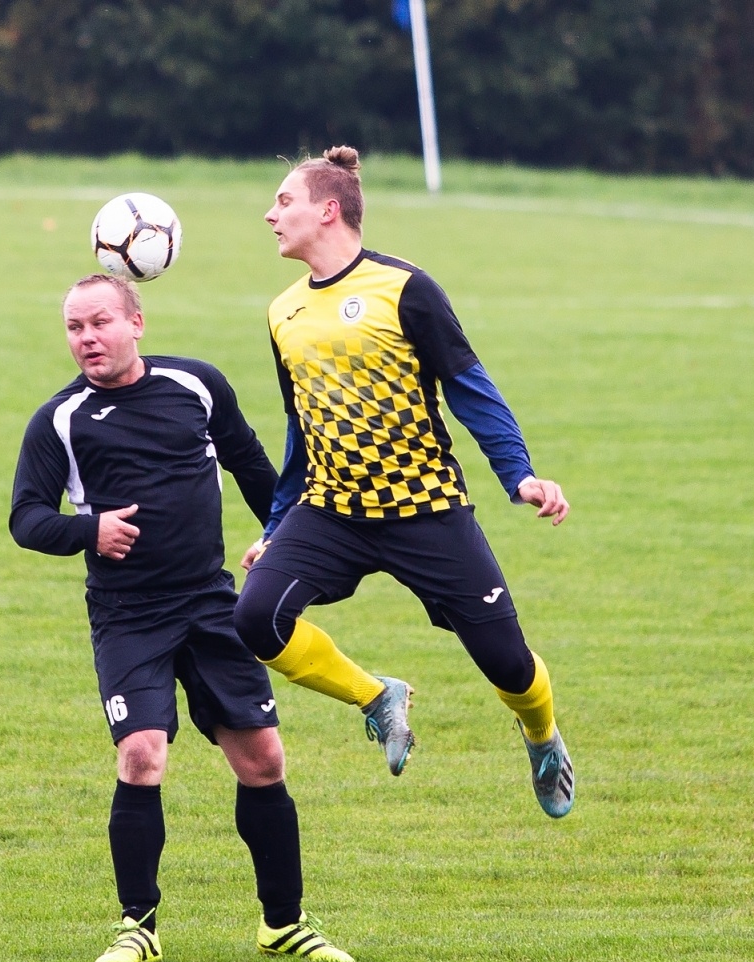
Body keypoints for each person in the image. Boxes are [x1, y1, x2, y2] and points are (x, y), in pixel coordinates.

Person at [10, 273, 355, 962]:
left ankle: (284, 923)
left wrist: (282, 535)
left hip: (210, 604)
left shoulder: (196, 385)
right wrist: (89, 530)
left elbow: (255, 468)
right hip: (128, 616)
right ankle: (137, 926)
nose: (87, 339)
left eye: (100, 323)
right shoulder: (60, 419)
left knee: (263, 759)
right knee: (142, 753)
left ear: (136, 322)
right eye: (75, 328)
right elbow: (26, 517)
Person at [232, 146, 576, 818]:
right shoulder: (282, 312)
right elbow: (300, 429)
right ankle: (376, 696)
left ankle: (541, 736)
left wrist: (521, 476)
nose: (270, 214)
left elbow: (471, 388)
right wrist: (275, 527)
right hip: (330, 511)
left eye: (284, 201)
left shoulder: (405, 288)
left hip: (426, 509)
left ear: (328, 210)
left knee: (507, 662)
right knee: (255, 618)